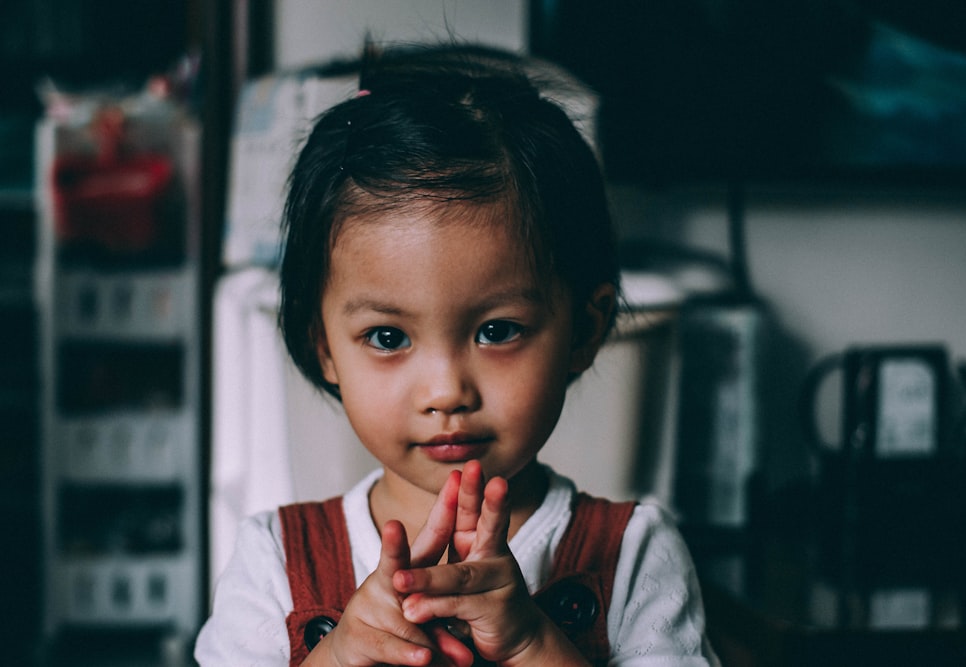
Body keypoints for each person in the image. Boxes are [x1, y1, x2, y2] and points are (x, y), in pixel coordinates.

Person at [195, 45, 719, 667]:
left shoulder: (634, 553)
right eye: (388, 338)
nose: (446, 391)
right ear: (323, 347)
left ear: (583, 329)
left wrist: (531, 644)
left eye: (497, 331)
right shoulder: (277, 560)